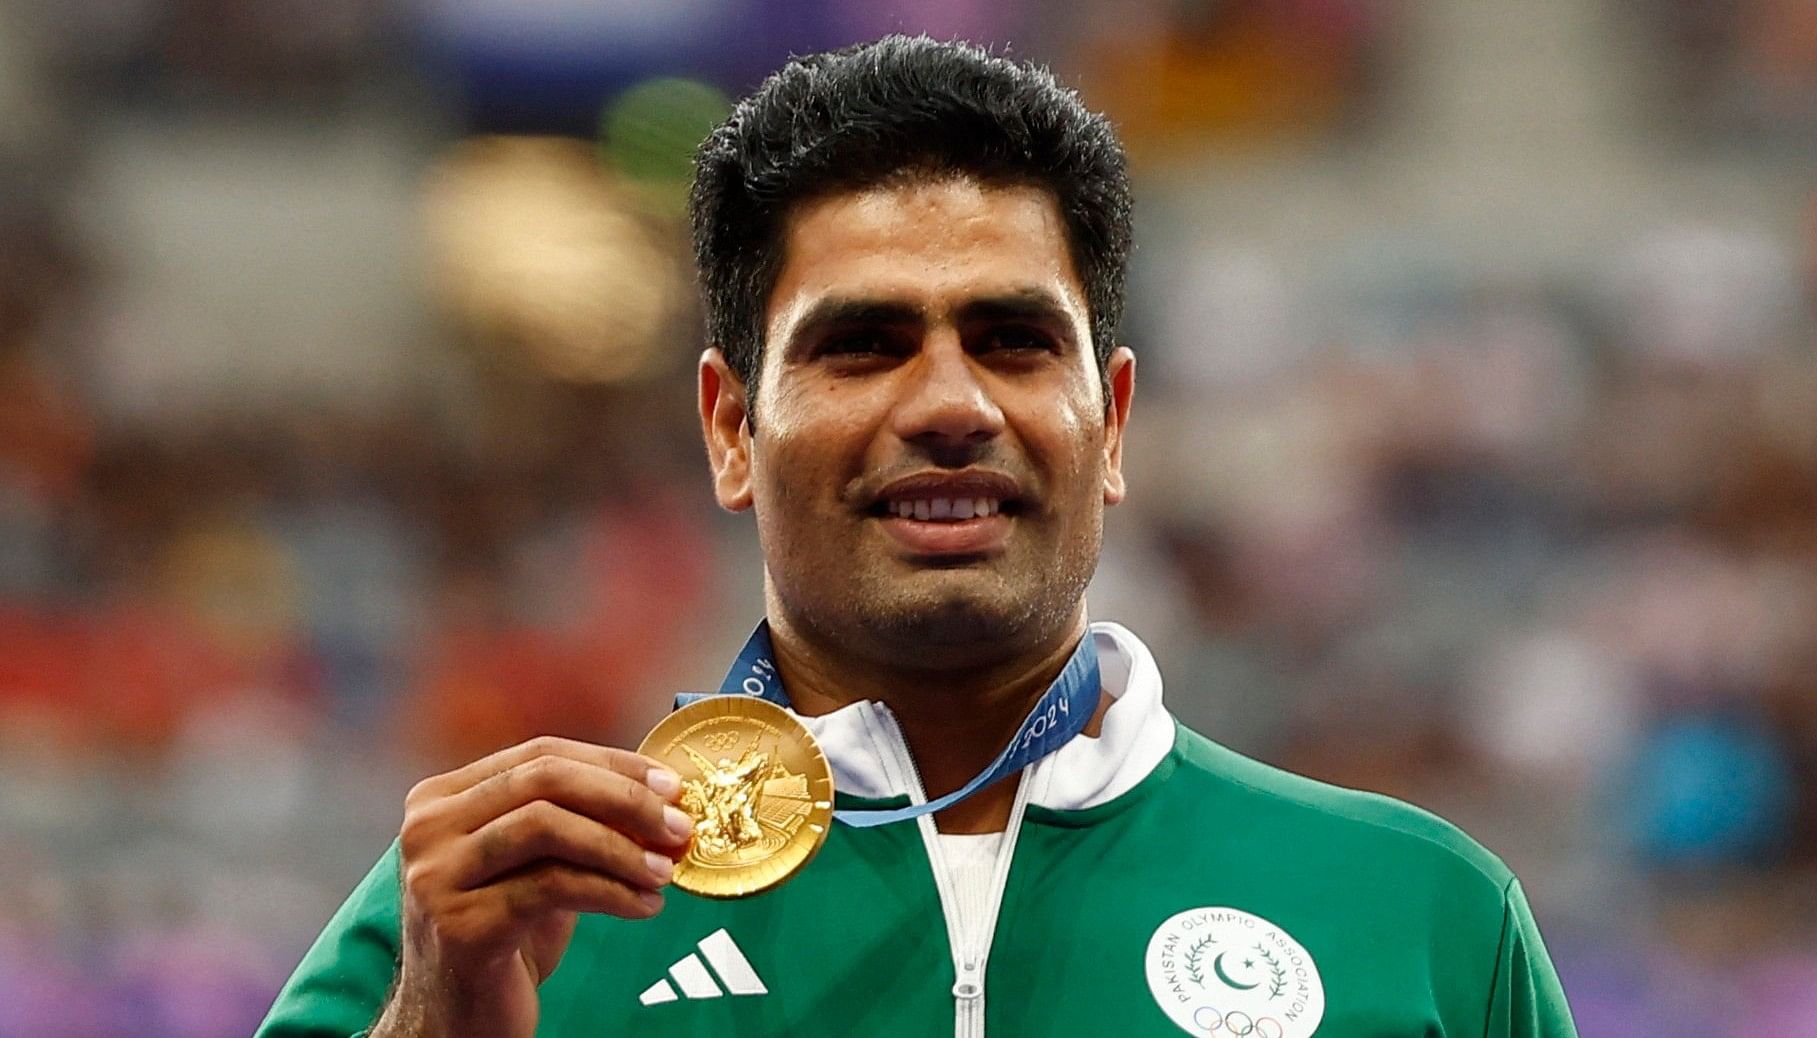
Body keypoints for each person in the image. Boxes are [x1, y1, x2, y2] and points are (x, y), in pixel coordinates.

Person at [257, 35, 1578, 1038]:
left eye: (1011, 339)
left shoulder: (1413, 912)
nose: (948, 403)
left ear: (1110, 426)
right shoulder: (496, 907)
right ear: (730, 428)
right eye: (861, 344)